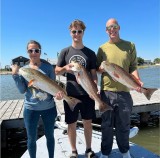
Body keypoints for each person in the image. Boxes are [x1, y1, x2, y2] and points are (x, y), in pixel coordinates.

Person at [97, 18, 143, 158]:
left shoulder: (130, 45)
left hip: (124, 92)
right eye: (109, 27)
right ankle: (105, 153)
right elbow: (97, 70)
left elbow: (133, 67)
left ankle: (124, 151)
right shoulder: (101, 48)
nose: (112, 29)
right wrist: (103, 68)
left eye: (114, 26)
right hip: (106, 92)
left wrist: (137, 80)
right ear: (106, 31)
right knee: (106, 125)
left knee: (124, 125)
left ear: (119, 28)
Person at [12, 40, 63, 158]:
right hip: (30, 109)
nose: (34, 53)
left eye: (36, 50)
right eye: (31, 50)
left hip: (49, 108)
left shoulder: (48, 67)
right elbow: (22, 90)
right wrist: (15, 76)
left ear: (40, 52)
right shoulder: (24, 70)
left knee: (50, 135)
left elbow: (53, 87)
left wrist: (59, 96)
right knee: (31, 138)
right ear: (27, 52)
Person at [55, 19, 97, 158]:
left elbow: (93, 74)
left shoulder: (90, 53)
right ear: (70, 32)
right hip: (71, 94)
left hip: (87, 94)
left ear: (83, 33)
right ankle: (73, 151)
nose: (76, 34)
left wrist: (95, 89)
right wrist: (66, 68)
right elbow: (56, 71)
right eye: (74, 31)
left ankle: (89, 149)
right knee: (71, 124)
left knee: (87, 123)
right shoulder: (65, 51)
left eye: (79, 31)